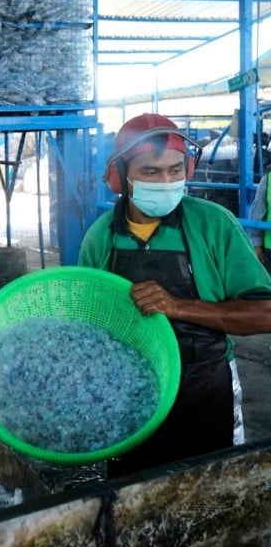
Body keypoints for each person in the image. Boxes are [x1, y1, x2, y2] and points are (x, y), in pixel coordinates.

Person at [78, 113, 271, 476]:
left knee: (213, 487)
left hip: (206, 389)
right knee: (133, 491)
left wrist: (177, 306)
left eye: (175, 170)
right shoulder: (100, 237)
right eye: (151, 172)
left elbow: (265, 313)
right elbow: (92, 326)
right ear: (122, 176)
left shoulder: (213, 224)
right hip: (130, 392)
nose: (166, 181)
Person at [248, 170, 271, 271]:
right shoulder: (268, 179)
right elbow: (258, 213)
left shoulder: (268, 179)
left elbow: (257, 213)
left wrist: (256, 243)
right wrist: (256, 243)